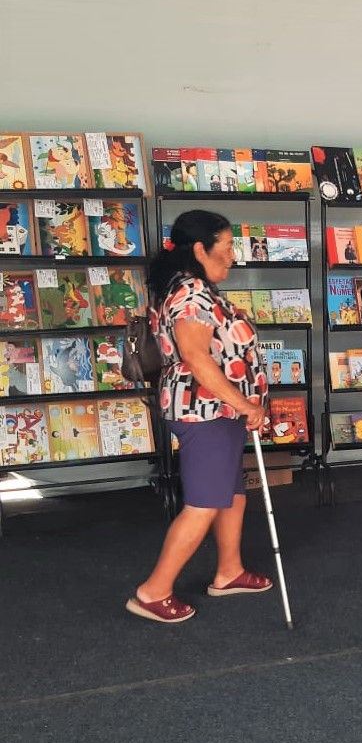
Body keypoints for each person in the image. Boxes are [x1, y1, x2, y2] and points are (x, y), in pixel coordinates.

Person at [126, 210, 270, 624]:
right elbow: (196, 359)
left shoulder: (193, 288)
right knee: (204, 503)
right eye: (225, 248)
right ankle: (153, 592)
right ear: (199, 249)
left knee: (230, 493)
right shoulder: (191, 294)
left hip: (215, 411)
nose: (233, 256)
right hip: (203, 411)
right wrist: (245, 404)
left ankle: (229, 571)